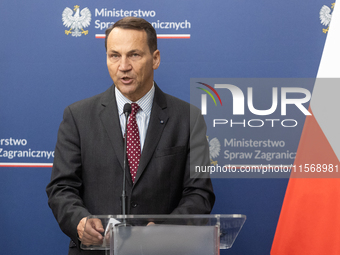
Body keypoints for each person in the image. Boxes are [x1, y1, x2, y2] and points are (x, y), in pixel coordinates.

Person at [46, 17, 215, 254]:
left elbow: (199, 194)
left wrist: (165, 230)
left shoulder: (188, 118)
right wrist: (80, 221)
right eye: (114, 55)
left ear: (155, 59)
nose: (123, 66)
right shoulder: (77, 116)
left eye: (134, 55)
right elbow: (61, 188)